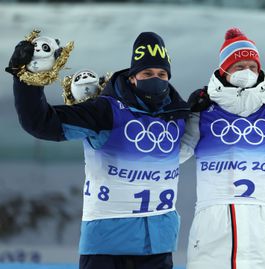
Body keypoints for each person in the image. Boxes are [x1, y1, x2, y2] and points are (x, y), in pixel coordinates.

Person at [6, 31, 189, 269]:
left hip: (157, 248)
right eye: (147, 73)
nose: (155, 79)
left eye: (162, 74)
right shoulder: (105, 112)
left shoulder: (179, 115)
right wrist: (28, 79)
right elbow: (40, 123)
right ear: (133, 77)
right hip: (107, 247)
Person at [182, 27, 265, 269]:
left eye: (252, 67)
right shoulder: (202, 113)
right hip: (212, 236)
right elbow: (170, 155)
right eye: (239, 66)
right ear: (224, 70)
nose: (247, 72)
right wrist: (176, 117)